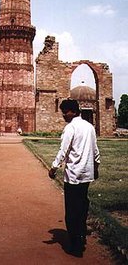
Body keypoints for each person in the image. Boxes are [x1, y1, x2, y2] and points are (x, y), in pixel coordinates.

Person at [49, 99, 100, 257]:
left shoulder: (71, 128)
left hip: (73, 175)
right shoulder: (89, 127)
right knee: (82, 204)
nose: (64, 115)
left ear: (73, 111)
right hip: (87, 174)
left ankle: (76, 245)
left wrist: (54, 167)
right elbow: (95, 150)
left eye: (65, 112)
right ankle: (81, 234)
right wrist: (96, 166)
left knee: (71, 210)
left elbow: (63, 150)